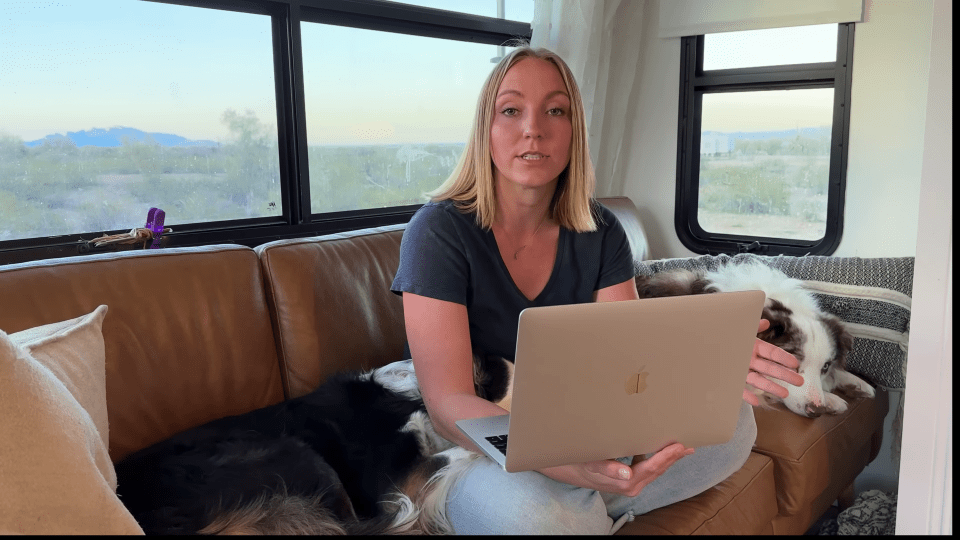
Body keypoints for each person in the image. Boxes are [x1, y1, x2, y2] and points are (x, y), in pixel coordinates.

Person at [390, 46, 804, 534]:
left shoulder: (601, 229)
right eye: (511, 109)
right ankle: (578, 505)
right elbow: (448, 406)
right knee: (532, 516)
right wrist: (561, 464)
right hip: (476, 444)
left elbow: (630, 362)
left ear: (574, 129)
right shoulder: (436, 232)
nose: (533, 128)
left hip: (580, 422)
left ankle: (582, 507)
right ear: (486, 127)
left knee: (735, 427)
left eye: (555, 110)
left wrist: (707, 366)